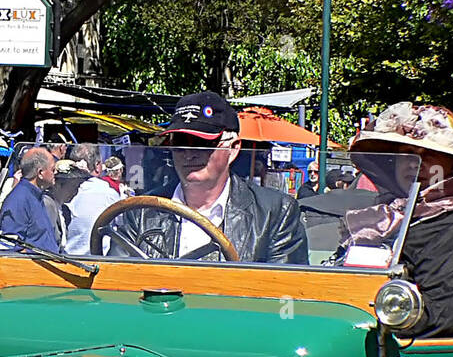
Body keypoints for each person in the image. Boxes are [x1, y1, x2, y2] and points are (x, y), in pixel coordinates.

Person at [346, 101, 453, 337]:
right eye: (407, 155)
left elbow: (437, 318)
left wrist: (361, 335)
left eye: (430, 155)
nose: (415, 164)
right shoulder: (384, 218)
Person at [109, 91, 308, 264]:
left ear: (233, 148)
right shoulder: (141, 211)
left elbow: (284, 293)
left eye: (201, 143)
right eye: (179, 143)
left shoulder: (275, 213)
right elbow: (115, 282)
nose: (189, 154)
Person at [62, 143, 121, 254]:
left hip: (66, 258)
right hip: (98, 261)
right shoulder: (109, 193)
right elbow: (122, 223)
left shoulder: (62, 191)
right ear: (98, 166)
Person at [0, 147, 60, 252]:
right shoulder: (18, 201)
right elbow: (11, 249)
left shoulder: (36, 196)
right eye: (53, 169)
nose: (56, 173)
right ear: (40, 173)